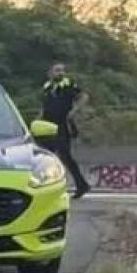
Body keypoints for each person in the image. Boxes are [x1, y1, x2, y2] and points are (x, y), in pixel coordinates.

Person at [41, 62, 91, 198]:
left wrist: (74, 111)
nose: (60, 73)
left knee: (65, 156)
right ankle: (48, 187)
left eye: (62, 70)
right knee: (46, 157)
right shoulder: (47, 87)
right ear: (50, 73)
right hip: (47, 126)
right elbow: (44, 107)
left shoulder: (68, 84)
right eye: (57, 70)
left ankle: (81, 185)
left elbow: (84, 96)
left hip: (62, 125)